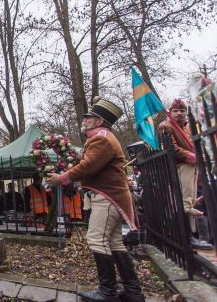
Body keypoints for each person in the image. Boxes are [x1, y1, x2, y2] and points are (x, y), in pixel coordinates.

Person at [47, 96, 144, 302]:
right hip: (111, 195)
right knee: (114, 242)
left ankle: (107, 292)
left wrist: (62, 178)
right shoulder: (102, 137)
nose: (85, 119)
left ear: (99, 121)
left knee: (96, 239)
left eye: (89, 117)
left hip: (107, 197)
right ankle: (133, 292)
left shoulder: (101, 138)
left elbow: (88, 166)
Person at [157, 98, 212, 250]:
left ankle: (191, 236)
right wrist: (193, 157)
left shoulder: (187, 127)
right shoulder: (166, 126)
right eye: (176, 111)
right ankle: (185, 237)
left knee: (190, 202)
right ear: (170, 112)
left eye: (182, 111)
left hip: (192, 167)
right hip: (181, 166)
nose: (180, 113)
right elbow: (172, 149)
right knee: (184, 202)